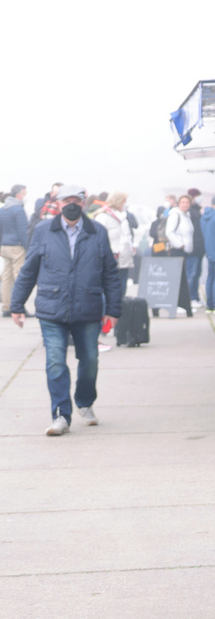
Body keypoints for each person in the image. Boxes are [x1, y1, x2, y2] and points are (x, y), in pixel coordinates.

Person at [8, 184, 123, 436]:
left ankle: (85, 402)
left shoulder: (97, 232)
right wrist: (16, 304)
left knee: (90, 359)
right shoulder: (42, 231)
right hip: (52, 308)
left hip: (88, 307)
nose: (71, 204)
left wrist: (113, 310)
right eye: (66, 200)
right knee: (55, 362)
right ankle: (61, 414)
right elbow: (29, 269)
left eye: (76, 200)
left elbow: (110, 274)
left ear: (84, 203)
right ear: (57, 204)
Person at [97, 192, 136, 311]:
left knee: (122, 286)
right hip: (110, 255)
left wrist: (131, 247)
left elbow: (127, 234)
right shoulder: (103, 217)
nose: (125, 204)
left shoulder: (123, 216)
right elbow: (98, 237)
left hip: (125, 255)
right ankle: (107, 311)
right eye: (124, 201)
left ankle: (118, 310)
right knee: (110, 285)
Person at [166, 194, 196, 317]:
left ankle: (184, 305)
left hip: (185, 252)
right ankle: (179, 305)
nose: (185, 204)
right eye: (183, 202)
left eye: (187, 202)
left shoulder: (187, 216)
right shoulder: (175, 215)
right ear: (179, 203)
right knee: (179, 279)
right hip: (177, 251)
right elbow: (169, 232)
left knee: (183, 279)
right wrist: (180, 244)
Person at [0, 184, 26, 314]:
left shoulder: (3, 209)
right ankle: (19, 307)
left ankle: (6, 307)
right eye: (24, 194)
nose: (25, 197)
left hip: (5, 246)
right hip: (17, 247)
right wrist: (28, 248)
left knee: (6, 278)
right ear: (18, 195)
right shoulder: (18, 210)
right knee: (19, 277)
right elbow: (23, 232)